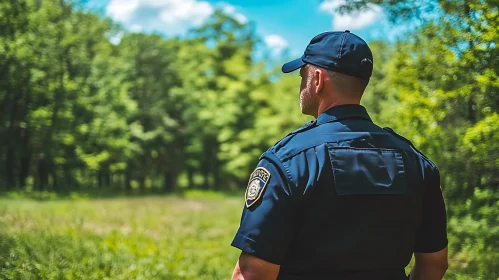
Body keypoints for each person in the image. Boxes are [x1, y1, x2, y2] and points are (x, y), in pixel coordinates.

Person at [230, 31, 448, 280]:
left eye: (303, 76)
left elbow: (253, 274)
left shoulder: (289, 161)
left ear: (318, 80)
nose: (301, 86)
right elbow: (434, 265)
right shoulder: (417, 163)